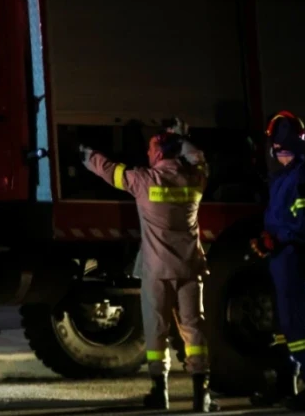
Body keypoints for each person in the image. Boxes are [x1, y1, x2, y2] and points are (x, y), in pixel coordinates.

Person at [81, 131, 216, 412]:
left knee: (157, 330)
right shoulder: (194, 179)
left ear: (158, 154)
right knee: (193, 328)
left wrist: (87, 156)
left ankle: (160, 392)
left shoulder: (144, 180)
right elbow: (199, 158)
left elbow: (111, 172)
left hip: (157, 270)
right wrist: (182, 140)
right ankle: (201, 395)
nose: (146, 153)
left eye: (151, 149)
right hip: (190, 268)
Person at [250, 111, 305, 411]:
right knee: (285, 328)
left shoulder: (300, 175)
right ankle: (288, 385)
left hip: (295, 260)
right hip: (283, 260)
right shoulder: (286, 176)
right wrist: (267, 241)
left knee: (297, 328)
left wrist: (277, 239)